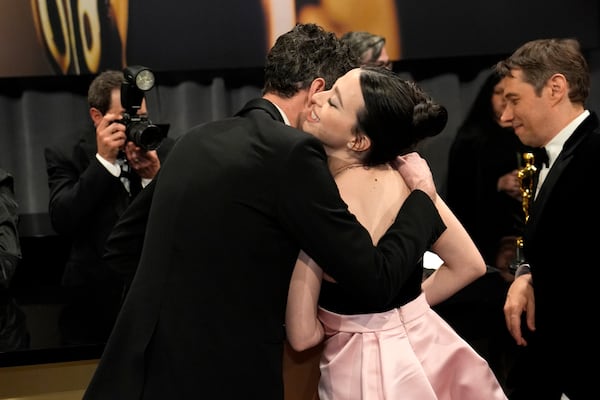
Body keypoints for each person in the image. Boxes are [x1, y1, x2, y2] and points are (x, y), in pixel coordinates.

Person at [83, 23, 446, 400]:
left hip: (137, 374)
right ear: (318, 91)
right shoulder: (293, 154)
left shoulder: (196, 138)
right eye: (335, 95)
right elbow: (375, 280)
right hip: (224, 377)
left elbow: (122, 246)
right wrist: (422, 196)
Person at [285, 66, 506, 399]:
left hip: (358, 370)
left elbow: (302, 335)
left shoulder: (323, 203)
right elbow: (469, 265)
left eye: (334, 102)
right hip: (431, 348)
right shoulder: (413, 180)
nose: (316, 97)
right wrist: (405, 314)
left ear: (359, 139)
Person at [499, 38, 599, 399]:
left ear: (555, 88)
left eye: (514, 100)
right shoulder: (553, 157)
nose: (505, 117)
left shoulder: (594, 157)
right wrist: (526, 274)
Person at [44, 70, 174, 344]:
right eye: (122, 121)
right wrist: (103, 163)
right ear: (96, 117)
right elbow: (63, 218)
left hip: (153, 292)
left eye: (139, 119)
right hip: (92, 300)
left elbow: (181, 220)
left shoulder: (165, 149)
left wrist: (153, 177)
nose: (132, 128)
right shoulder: (66, 151)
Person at [447, 70, 546, 279]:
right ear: (487, 96)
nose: (503, 100)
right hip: (485, 235)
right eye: (498, 93)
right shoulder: (471, 139)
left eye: (510, 95)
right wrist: (497, 184)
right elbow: (458, 193)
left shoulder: (534, 134)